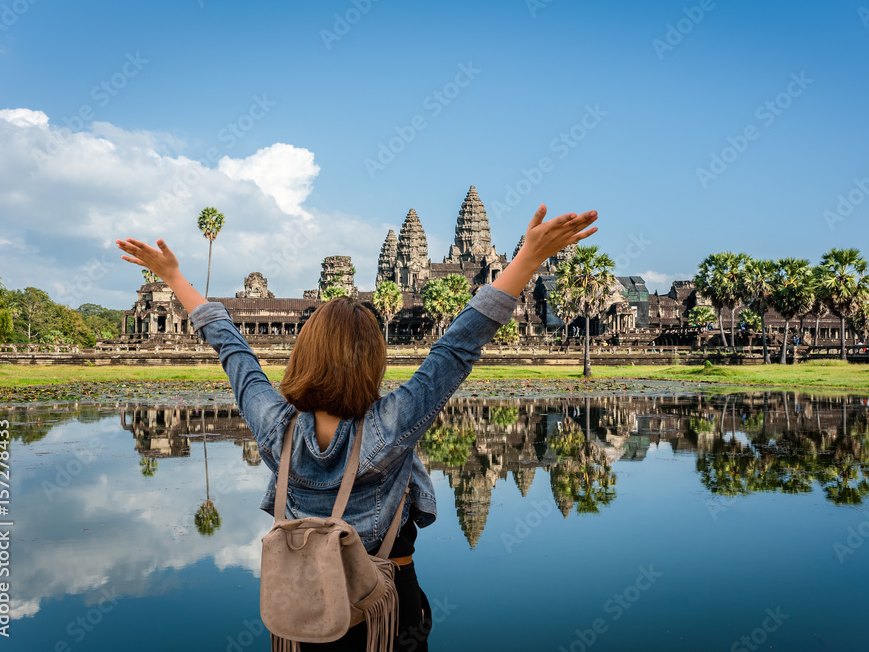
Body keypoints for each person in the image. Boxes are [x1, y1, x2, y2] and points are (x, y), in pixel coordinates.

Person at [115, 205, 598, 651]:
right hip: (385, 601)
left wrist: (175, 277)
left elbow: (232, 350)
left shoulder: (273, 427)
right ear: (373, 362)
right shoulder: (390, 424)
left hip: (301, 602)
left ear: (302, 355)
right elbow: (457, 347)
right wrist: (528, 260)